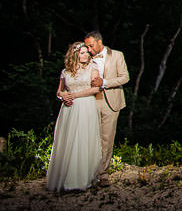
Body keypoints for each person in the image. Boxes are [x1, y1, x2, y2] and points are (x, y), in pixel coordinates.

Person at [46, 42, 102, 192]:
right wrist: (63, 96)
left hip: (85, 106)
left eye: (87, 52)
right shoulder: (65, 71)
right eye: (82, 52)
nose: (86, 55)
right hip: (68, 109)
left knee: (82, 140)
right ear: (74, 54)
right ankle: (64, 177)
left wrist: (75, 95)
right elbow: (59, 91)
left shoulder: (92, 68)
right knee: (68, 140)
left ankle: (80, 179)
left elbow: (95, 88)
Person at [84, 30, 129, 185]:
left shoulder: (117, 55)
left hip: (111, 101)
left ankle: (103, 174)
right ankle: (89, 172)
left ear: (99, 42)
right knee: (90, 137)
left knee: (107, 138)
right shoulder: (86, 57)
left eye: (90, 46)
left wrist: (104, 82)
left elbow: (125, 77)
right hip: (91, 100)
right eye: (87, 47)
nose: (89, 50)